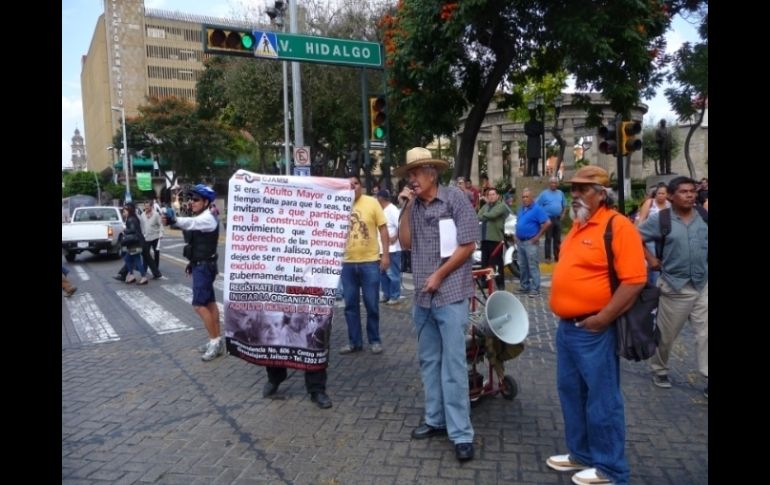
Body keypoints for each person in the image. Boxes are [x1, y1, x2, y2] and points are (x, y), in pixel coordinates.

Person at [546, 166, 647, 485]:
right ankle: (581, 454)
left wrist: (603, 318)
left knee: (602, 398)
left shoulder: (617, 226)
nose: (575, 194)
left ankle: (610, 469)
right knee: (570, 392)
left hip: (594, 329)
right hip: (568, 328)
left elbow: (634, 281)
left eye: (584, 189)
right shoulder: (578, 225)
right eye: (573, 188)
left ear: (602, 194)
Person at [396, 147, 478, 462]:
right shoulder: (413, 205)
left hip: (450, 294)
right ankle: (435, 420)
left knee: (454, 365)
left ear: (432, 173)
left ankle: (461, 433)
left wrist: (440, 275)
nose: (412, 179)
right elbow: (405, 242)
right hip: (422, 296)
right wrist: (404, 207)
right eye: (409, 175)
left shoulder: (456, 199)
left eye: (416, 173)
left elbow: (468, 244)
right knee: (429, 361)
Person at [637, 176, 708, 398]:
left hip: (703, 285)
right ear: (671, 196)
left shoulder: (704, 217)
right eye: (684, 192)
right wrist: (650, 258)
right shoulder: (663, 220)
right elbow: (634, 236)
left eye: (692, 191)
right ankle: (659, 369)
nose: (690, 195)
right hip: (674, 287)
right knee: (666, 335)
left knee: (706, 334)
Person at [161, 184, 223, 362]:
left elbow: (190, 223)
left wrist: (174, 220)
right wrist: (191, 262)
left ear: (205, 201)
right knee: (210, 303)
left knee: (198, 305)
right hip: (202, 264)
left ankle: (214, 341)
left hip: (205, 267)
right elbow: (195, 239)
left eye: (196, 199)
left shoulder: (207, 218)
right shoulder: (204, 215)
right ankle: (216, 341)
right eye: (190, 199)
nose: (191, 202)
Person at [339, 175, 389, 355]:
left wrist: (385, 256)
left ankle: (374, 339)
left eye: (356, 183)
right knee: (350, 305)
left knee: (372, 303)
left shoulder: (372, 203)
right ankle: (354, 342)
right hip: (347, 263)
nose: (352, 187)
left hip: (369, 262)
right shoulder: (337, 203)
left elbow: (383, 228)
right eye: (349, 184)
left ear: (361, 185)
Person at [262, 310, 333, 409]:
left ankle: (317, 389)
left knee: (314, 342)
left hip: (308, 298)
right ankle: (275, 377)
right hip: (281, 298)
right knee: (275, 336)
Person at [514, 188, 551, 297]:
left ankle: (535, 288)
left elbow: (547, 223)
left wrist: (538, 236)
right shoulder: (521, 209)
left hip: (531, 242)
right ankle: (524, 286)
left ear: (532, 198)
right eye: (523, 197)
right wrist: (516, 234)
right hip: (520, 242)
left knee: (532, 265)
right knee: (523, 266)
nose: (524, 199)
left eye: (527, 197)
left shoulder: (537, 209)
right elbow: (519, 222)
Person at [635, 183, 671, 284]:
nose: (660, 195)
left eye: (663, 193)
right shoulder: (650, 203)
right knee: (653, 260)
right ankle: (654, 285)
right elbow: (641, 219)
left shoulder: (669, 204)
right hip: (649, 236)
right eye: (659, 193)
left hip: (665, 238)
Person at [477, 186, 508, 291]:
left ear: (497, 196)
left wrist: (485, 215)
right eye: (489, 195)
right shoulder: (485, 206)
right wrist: (486, 215)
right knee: (485, 262)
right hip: (485, 238)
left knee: (497, 263)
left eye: (493, 194)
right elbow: (478, 215)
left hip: (496, 239)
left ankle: (500, 283)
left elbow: (493, 215)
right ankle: (485, 282)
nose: (491, 196)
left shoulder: (501, 206)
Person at [376, 189, 402, 305]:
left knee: (392, 274)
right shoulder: (381, 210)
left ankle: (395, 295)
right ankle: (386, 294)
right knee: (383, 274)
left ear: (381, 198)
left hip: (392, 249)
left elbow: (401, 225)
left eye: (377, 198)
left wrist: (396, 236)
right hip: (381, 249)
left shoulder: (392, 210)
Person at [535, 176, 567, 263]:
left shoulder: (560, 193)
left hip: (558, 219)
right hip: (548, 219)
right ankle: (548, 257)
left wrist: (563, 214)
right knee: (548, 238)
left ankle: (557, 257)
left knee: (557, 239)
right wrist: (541, 217)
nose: (553, 184)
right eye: (552, 182)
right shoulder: (544, 194)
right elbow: (537, 205)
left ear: (557, 184)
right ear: (549, 184)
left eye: (555, 183)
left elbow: (564, 205)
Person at [121, 203, 148, 285]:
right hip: (136, 242)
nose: (123, 213)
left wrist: (125, 230)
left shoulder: (131, 219)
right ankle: (132, 275)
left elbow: (132, 230)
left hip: (135, 243)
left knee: (136, 260)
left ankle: (143, 277)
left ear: (129, 211)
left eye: (124, 211)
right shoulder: (132, 218)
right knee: (128, 259)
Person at [140, 200, 163, 279]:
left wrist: (161, 233)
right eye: (145, 207)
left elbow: (160, 225)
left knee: (156, 253)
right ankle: (145, 269)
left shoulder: (156, 215)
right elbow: (142, 226)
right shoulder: (142, 215)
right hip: (146, 237)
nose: (146, 208)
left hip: (155, 237)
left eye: (148, 207)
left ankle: (155, 269)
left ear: (151, 206)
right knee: (145, 254)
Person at [524, 111, 544, 176]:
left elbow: (541, 131)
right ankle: (529, 172)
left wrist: (532, 132)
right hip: (530, 141)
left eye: (534, 114)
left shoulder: (539, 123)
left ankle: (535, 172)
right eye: (531, 114)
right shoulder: (527, 123)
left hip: (536, 141)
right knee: (530, 157)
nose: (533, 115)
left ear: (535, 115)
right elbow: (526, 131)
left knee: (536, 158)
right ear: (530, 115)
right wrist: (535, 132)